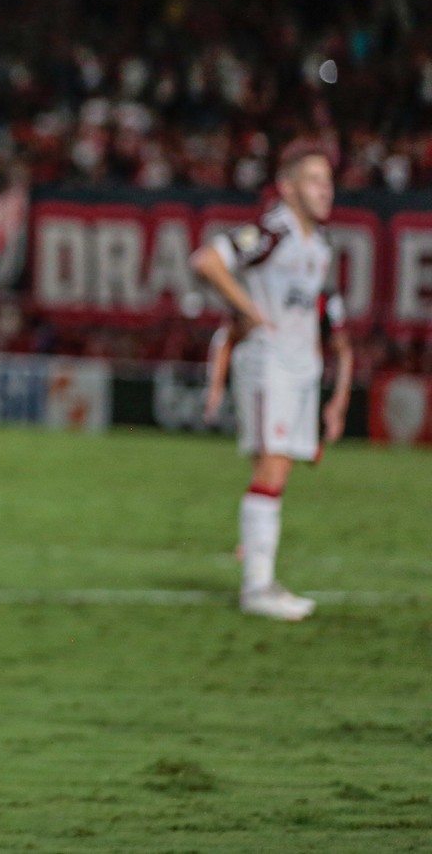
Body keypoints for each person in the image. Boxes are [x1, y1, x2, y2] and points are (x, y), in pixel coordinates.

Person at [189, 144, 352, 621]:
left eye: (328, 180)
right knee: (272, 466)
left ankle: (262, 577)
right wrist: (248, 309)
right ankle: (257, 587)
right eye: (314, 180)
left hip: (302, 369)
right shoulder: (271, 231)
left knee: (278, 470)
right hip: (270, 364)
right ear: (288, 187)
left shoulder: (318, 246)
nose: (326, 189)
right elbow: (207, 260)